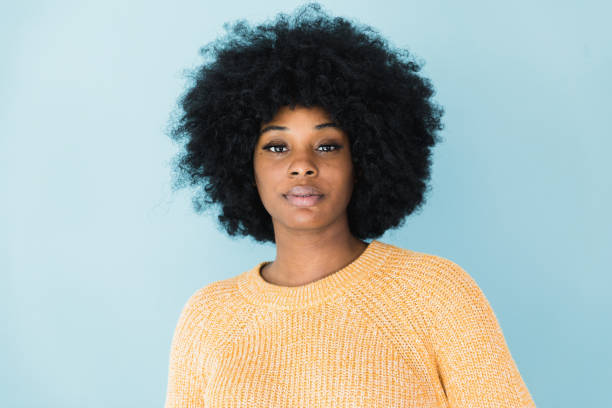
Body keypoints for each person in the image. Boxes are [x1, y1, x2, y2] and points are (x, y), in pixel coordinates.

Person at [163, 2, 536, 407]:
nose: (302, 166)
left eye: (327, 145)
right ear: (241, 165)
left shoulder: (436, 294)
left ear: (362, 160)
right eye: (276, 147)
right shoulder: (208, 319)